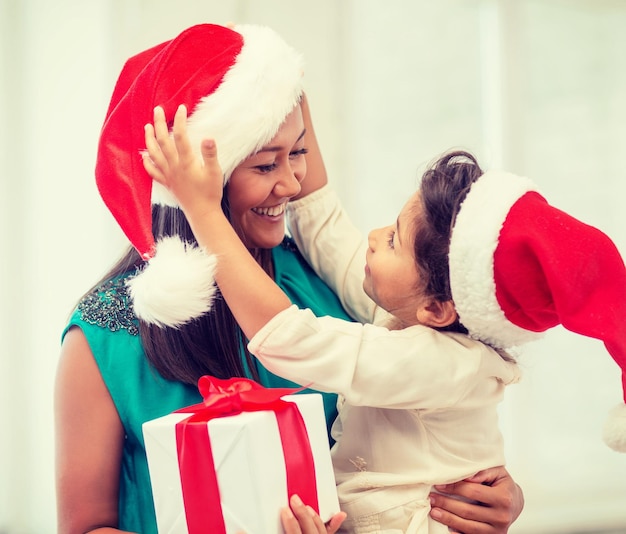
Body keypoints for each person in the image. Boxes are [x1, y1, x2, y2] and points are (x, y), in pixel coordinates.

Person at [55, 23, 525, 534]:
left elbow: (420, 438)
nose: (293, 181)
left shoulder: (323, 284)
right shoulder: (102, 335)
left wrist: (490, 492)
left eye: (298, 152)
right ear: (196, 184)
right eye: (264, 165)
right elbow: (84, 526)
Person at [143, 103, 626, 533]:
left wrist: (202, 209)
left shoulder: (441, 362)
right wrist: (285, 86)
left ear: (438, 309)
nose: (373, 236)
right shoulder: (421, 314)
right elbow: (322, 222)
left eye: (393, 239)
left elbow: (292, 339)